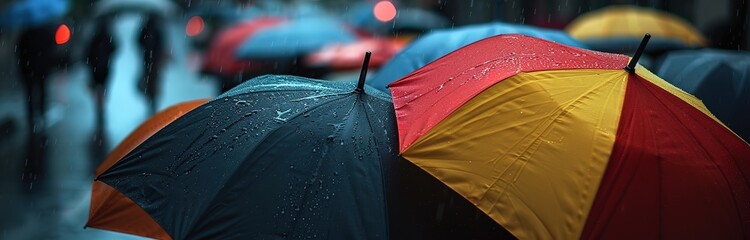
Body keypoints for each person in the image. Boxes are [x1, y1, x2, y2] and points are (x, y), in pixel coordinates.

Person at [16, 22, 60, 184]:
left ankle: (32, 117)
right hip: (40, 68)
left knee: (31, 94)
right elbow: (50, 49)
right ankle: (39, 116)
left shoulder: (25, 33)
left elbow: (20, 52)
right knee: (40, 92)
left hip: (30, 69)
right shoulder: (45, 31)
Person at [85, 18, 116, 165]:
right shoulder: (107, 37)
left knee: (99, 88)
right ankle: (101, 105)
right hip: (104, 68)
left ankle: (99, 106)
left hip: (96, 68)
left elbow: (87, 53)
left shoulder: (95, 38)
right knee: (103, 88)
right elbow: (115, 48)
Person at [138, 14, 167, 114]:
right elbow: (161, 45)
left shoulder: (145, 29)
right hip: (154, 61)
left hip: (148, 61)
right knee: (153, 82)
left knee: (149, 82)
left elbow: (139, 42)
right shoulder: (157, 30)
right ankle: (153, 103)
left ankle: (151, 103)